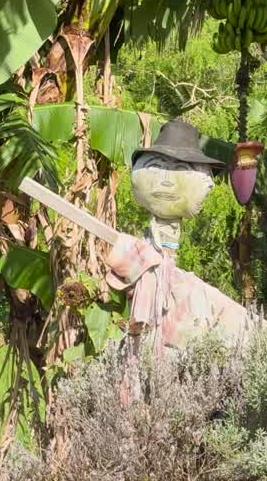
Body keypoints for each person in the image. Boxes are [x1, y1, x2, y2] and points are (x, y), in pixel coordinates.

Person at [104, 119, 253, 353]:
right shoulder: (136, 251)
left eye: (181, 170)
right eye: (155, 168)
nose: (165, 180)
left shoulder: (187, 286)